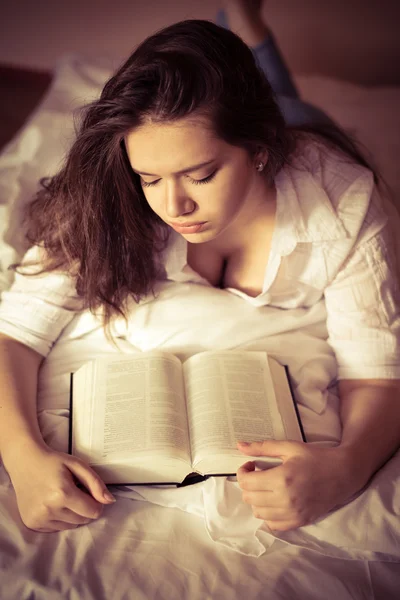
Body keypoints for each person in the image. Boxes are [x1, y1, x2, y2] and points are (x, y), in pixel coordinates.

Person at [0, 0, 399, 534]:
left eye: (201, 175)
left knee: (291, 104)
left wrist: (348, 467)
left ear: (258, 150)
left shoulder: (344, 200)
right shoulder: (114, 193)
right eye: (150, 178)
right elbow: (13, 333)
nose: (174, 206)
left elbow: (379, 370)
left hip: (300, 129)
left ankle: (247, 22)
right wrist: (23, 458)